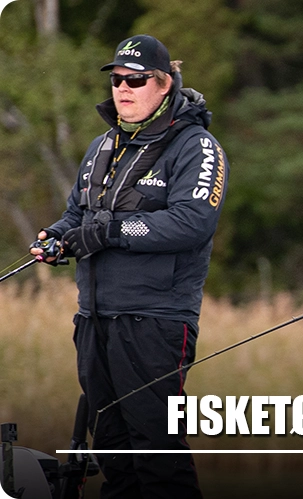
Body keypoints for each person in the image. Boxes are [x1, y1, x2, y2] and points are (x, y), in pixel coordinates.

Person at [30, 34, 229, 498]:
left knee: (158, 457)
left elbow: (191, 222)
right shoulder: (103, 145)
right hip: (94, 319)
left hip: (155, 321)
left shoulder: (198, 146)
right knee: (113, 457)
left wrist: (110, 232)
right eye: (117, 79)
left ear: (164, 83)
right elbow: (77, 214)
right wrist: (57, 237)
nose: (123, 88)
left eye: (135, 80)